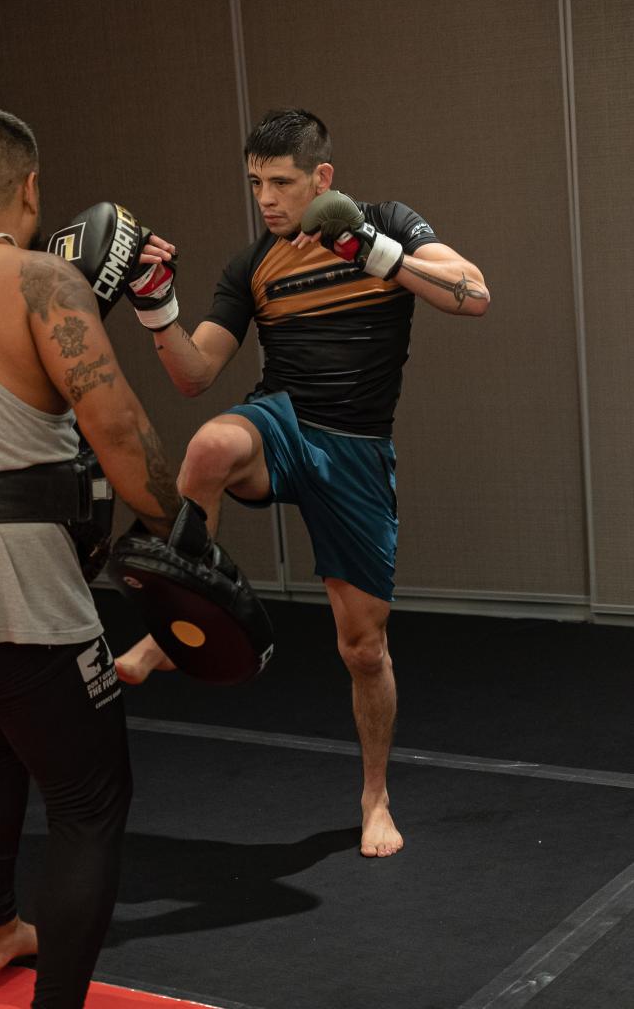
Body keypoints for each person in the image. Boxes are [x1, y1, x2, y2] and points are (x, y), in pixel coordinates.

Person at [115, 108, 491, 858]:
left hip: (355, 450)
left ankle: (375, 795)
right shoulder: (253, 265)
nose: (268, 200)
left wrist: (376, 252)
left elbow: (473, 294)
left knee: (362, 648)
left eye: (281, 183)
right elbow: (195, 375)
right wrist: (157, 309)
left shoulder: (387, 222)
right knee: (211, 445)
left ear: (322, 178)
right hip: (281, 422)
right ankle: (173, 622)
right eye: (256, 183)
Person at [0, 108, 183, 1007]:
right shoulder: (39, 278)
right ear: (32, 189)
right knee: (88, 802)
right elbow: (116, 429)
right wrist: (185, 539)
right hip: (14, 586)